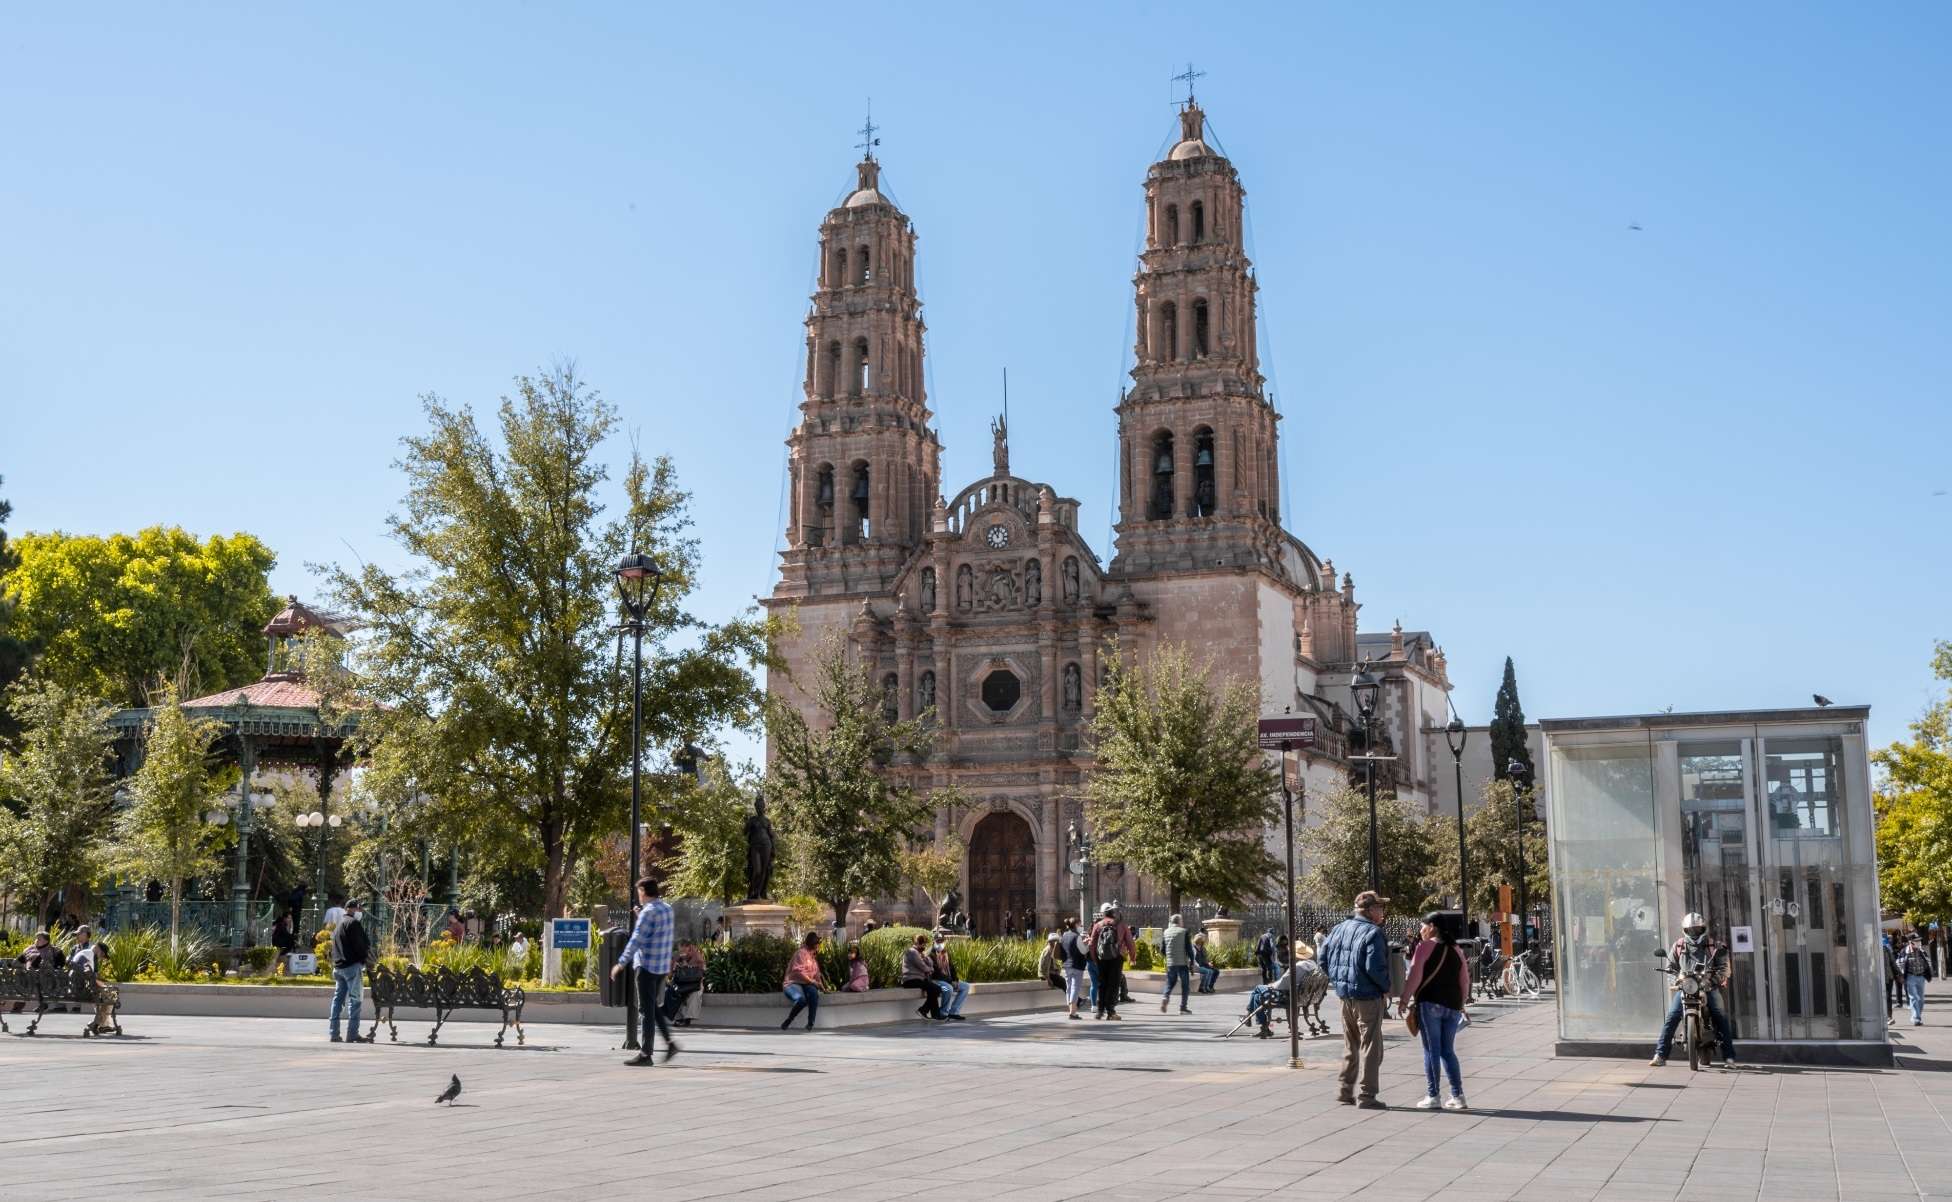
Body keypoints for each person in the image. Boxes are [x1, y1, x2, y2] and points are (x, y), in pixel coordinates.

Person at [1318, 890, 1393, 1109]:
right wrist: (1386, 987)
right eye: (1380, 908)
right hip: (1368, 996)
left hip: (1345, 996)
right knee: (1371, 1046)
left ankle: (1344, 1090)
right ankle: (1367, 1095)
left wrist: (1339, 980)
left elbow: (1323, 959)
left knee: (1350, 1044)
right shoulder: (1373, 933)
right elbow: (1374, 967)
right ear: (1370, 911)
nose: (1382, 912)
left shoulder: (1339, 928)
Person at [1399, 912, 1471, 1111]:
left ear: (1432, 927)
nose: (1420, 931)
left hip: (1430, 1004)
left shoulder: (1424, 947)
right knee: (1448, 1051)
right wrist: (1462, 1003)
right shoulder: (1456, 949)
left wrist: (1404, 999)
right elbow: (1464, 980)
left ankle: (1433, 1095)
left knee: (1431, 1050)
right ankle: (1458, 1095)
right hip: (1453, 1006)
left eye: (1422, 926)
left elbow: (1414, 974)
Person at [1651, 911, 1736, 1066]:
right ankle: (1660, 1055)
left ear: (1703, 929)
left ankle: (1729, 1057)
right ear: (1685, 930)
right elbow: (1670, 967)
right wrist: (1677, 980)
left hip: (1708, 987)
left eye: (1697, 930)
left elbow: (1725, 969)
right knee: (1672, 1016)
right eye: (1690, 930)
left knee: (1720, 1016)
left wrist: (1712, 981)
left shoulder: (1715, 946)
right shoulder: (1678, 945)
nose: (1694, 933)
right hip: (1687, 987)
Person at [608, 877, 678, 1065]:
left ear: (644, 892)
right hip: (661, 967)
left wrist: (620, 964)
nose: (638, 896)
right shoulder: (667, 909)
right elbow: (658, 932)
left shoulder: (648, 912)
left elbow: (636, 939)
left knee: (646, 1011)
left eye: (639, 892)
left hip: (646, 966)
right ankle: (670, 1044)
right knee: (652, 1008)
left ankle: (646, 1054)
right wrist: (642, 916)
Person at [327, 899, 371, 1044]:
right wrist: (364, 959)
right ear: (354, 909)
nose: (361, 912)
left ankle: (334, 1033)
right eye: (360, 909)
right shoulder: (353, 924)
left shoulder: (339, 925)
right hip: (352, 967)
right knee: (355, 1000)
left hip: (338, 967)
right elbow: (360, 946)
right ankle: (352, 1034)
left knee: (338, 1000)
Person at [1088, 902, 1127, 1020]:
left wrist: (1095, 958)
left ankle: (1100, 1011)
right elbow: (1130, 941)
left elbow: (1092, 944)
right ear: (1113, 912)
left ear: (1102, 913)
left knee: (1102, 984)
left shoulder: (1098, 925)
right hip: (1116, 958)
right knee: (1113, 984)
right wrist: (1133, 956)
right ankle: (1111, 1012)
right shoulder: (1120, 924)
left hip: (1101, 958)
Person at [781, 931, 826, 1030]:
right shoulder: (801, 953)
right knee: (801, 1000)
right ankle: (789, 1019)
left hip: (806, 983)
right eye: (817, 943)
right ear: (813, 944)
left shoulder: (812, 956)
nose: (819, 946)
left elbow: (817, 974)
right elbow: (798, 972)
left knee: (814, 993)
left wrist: (823, 988)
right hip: (793, 983)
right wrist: (812, 982)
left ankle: (810, 1023)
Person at [662, 940, 707, 1024]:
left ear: (689, 948)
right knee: (672, 993)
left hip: (694, 984)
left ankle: (687, 1019)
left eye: (684, 951)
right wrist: (675, 968)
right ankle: (678, 1018)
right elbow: (669, 975)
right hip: (680, 984)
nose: (682, 953)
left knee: (694, 995)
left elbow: (702, 972)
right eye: (680, 951)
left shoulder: (697, 956)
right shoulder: (676, 956)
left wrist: (689, 967)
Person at [1159, 913, 1194, 1014]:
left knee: (1170, 983)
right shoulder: (1184, 932)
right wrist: (1191, 962)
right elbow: (1189, 949)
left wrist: (1169, 957)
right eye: (1182, 921)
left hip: (1171, 963)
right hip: (1182, 963)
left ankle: (1165, 996)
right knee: (1185, 985)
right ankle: (1183, 1008)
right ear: (1179, 922)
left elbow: (1162, 950)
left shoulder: (1166, 932)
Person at [902, 933, 942, 1020]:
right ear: (916, 943)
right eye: (921, 943)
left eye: (924, 943)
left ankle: (935, 1015)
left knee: (934, 990)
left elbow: (930, 964)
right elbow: (922, 966)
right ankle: (923, 1010)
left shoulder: (919, 953)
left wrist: (925, 957)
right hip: (910, 980)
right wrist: (930, 969)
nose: (923, 945)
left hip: (919, 979)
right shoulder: (912, 952)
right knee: (936, 989)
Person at [1899, 931, 1935, 1027]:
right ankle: (1916, 1019)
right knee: (1914, 997)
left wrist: (1929, 973)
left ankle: (1917, 1016)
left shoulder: (1922, 951)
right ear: (1911, 942)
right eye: (1916, 941)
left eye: (1919, 940)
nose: (1919, 942)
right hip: (1910, 977)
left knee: (1921, 999)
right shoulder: (1904, 952)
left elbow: (1928, 962)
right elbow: (1899, 964)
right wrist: (1901, 975)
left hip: (1921, 977)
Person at [1059, 915, 1089, 1020]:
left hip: (1066, 965)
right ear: (1076, 925)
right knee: (1075, 988)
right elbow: (1083, 951)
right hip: (1076, 965)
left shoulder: (1064, 935)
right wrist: (1087, 944)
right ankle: (1073, 1012)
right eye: (1080, 924)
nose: (1081, 926)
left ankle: (1071, 1009)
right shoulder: (1077, 936)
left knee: (1068, 987)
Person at [931, 939, 970, 1020]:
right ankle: (943, 1012)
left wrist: (955, 980)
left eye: (941, 942)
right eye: (938, 942)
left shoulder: (946, 953)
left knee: (965, 986)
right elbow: (936, 973)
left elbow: (952, 968)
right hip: (936, 981)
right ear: (933, 942)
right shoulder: (931, 955)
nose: (940, 944)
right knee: (948, 989)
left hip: (948, 980)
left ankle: (953, 1012)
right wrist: (950, 981)